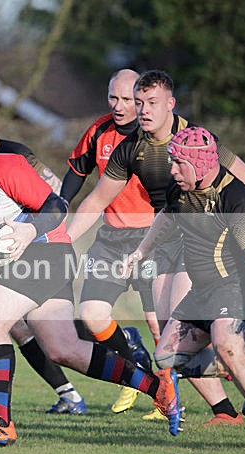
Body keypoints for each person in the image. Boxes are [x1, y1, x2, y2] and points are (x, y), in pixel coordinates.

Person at [0, 122, 182, 445]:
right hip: (25, 262)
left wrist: (28, 231)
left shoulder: (2, 166)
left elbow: (55, 206)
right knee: (63, 349)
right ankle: (158, 388)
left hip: (46, 251)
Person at [67, 69, 245, 426]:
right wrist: (62, 240)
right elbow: (95, 201)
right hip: (164, 237)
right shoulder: (131, 147)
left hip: (200, 246)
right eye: (138, 103)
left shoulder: (197, 139)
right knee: (170, 340)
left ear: (170, 104)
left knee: (188, 334)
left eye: (150, 103)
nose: (142, 110)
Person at [124, 125, 245, 441]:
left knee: (226, 344)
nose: (172, 171)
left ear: (200, 165)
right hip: (200, 292)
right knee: (166, 359)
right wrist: (140, 251)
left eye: (179, 164)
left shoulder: (237, 197)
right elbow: (166, 215)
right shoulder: (180, 189)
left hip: (235, 288)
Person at [0, 104, 91, 415]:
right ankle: (68, 393)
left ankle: (105, 339)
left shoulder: (12, 153)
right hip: (9, 253)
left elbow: (54, 195)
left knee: (27, 329)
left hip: (42, 245)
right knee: (20, 329)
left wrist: (36, 231)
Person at [60, 69, 162, 415]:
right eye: (113, 98)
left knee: (159, 325)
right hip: (110, 239)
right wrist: (58, 213)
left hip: (151, 238)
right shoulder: (99, 131)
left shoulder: (156, 134)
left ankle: (166, 400)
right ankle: (136, 370)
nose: (119, 106)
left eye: (128, 100)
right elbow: (77, 171)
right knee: (91, 315)